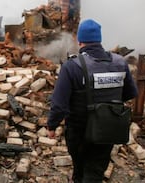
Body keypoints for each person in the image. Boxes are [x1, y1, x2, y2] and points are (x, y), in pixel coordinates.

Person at [46, 19, 138, 183]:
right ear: (99, 40)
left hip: (79, 131)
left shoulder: (72, 66)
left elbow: (59, 104)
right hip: (108, 130)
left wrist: (52, 126)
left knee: (81, 169)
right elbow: (130, 93)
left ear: (80, 41)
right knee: (95, 169)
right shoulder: (119, 63)